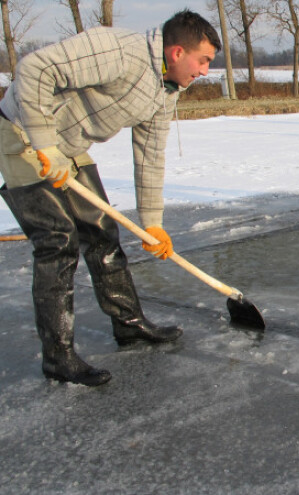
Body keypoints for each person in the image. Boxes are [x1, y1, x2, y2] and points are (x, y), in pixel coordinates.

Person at [0, 10, 221, 386]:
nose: (204, 71)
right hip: (21, 135)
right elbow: (35, 68)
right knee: (58, 242)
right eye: (203, 61)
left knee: (102, 231)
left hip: (66, 146)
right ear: (177, 52)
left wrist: (152, 223)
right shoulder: (119, 50)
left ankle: (129, 324)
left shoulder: (165, 90)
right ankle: (58, 357)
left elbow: (150, 155)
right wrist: (45, 144)